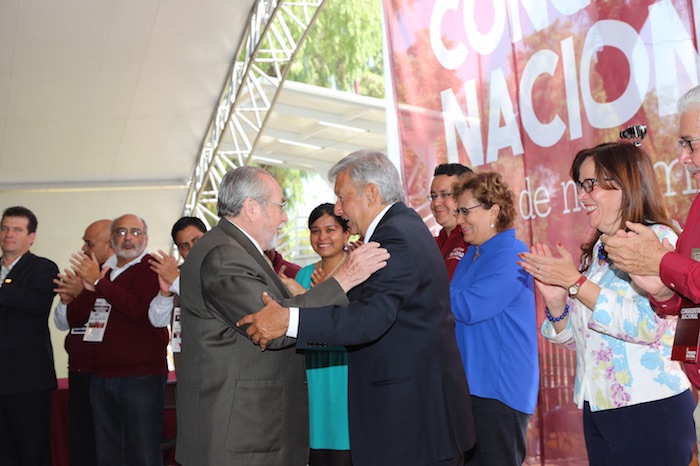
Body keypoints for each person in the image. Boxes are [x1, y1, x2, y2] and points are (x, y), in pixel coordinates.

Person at [238, 150, 476, 466]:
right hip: (414, 417)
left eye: (341, 197)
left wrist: (290, 321)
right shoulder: (400, 227)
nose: (338, 209)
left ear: (371, 193)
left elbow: (370, 318)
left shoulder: (395, 237)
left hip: (412, 424)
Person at [175, 166, 389, 466]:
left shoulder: (235, 249)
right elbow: (272, 327)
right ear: (251, 207)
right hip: (240, 429)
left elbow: (280, 317)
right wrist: (344, 279)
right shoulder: (223, 254)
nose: (285, 217)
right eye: (280, 206)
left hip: (250, 426)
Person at [519, 142, 695, 465]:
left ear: (625, 186)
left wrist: (576, 283)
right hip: (599, 408)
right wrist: (558, 302)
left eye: (591, 185)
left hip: (649, 408)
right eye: (580, 186)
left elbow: (648, 325)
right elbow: (587, 339)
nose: (583, 197)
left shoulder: (657, 242)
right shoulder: (600, 250)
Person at [601, 85, 700, 453]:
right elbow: (688, 296)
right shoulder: (696, 209)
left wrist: (661, 261)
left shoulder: (657, 234)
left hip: (653, 404)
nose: (682, 158)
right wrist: (659, 291)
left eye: (689, 144)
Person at [449, 172, 538, 465]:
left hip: (499, 390)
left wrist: (422, 290)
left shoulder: (513, 252)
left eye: (465, 211)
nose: (459, 219)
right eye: (457, 211)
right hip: (471, 386)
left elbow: (470, 307)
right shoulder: (473, 252)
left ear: (494, 211)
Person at [66, 214, 168, 466]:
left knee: (143, 454)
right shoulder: (104, 272)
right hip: (101, 377)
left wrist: (99, 282)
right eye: (121, 232)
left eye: (135, 232)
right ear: (112, 240)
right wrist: (89, 288)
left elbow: (136, 308)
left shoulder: (150, 267)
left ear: (145, 238)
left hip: (140, 378)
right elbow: (75, 318)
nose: (129, 238)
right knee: (109, 455)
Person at [290, 203, 352, 466]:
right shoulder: (303, 275)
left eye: (330, 229)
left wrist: (317, 296)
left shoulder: (357, 271)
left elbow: (354, 323)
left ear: (347, 233)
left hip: (345, 371)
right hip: (311, 372)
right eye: (315, 231)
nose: (322, 237)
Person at [0, 206, 59, 466]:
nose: (8, 234)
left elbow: (37, 303)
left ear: (31, 236)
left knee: (31, 451)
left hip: (28, 381)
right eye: (4, 228)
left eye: (17, 229)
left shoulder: (44, 268)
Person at [53, 219, 114, 466]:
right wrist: (68, 300)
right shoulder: (80, 275)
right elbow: (61, 322)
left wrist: (88, 290)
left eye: (89, 243)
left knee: (106, 441)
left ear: (109, 244)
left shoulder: (118, 273)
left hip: (106, 371)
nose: (84, 249)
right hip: (78, 369)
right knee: (82, 439)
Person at [148, 217, 207, 360]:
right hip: (186, 363)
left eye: (196, 241)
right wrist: (165, 293)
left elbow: (213, 305)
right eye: (184, 246)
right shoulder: (176, 273)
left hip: (218, 363)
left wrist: (176, 282)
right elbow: (157, 321)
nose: (192, 249)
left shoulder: (224, 269)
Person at [429, 163, 473, 278]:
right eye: (433, 196)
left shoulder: (475, 241)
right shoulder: (430, 245)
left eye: (444, 195)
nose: (436, 203)